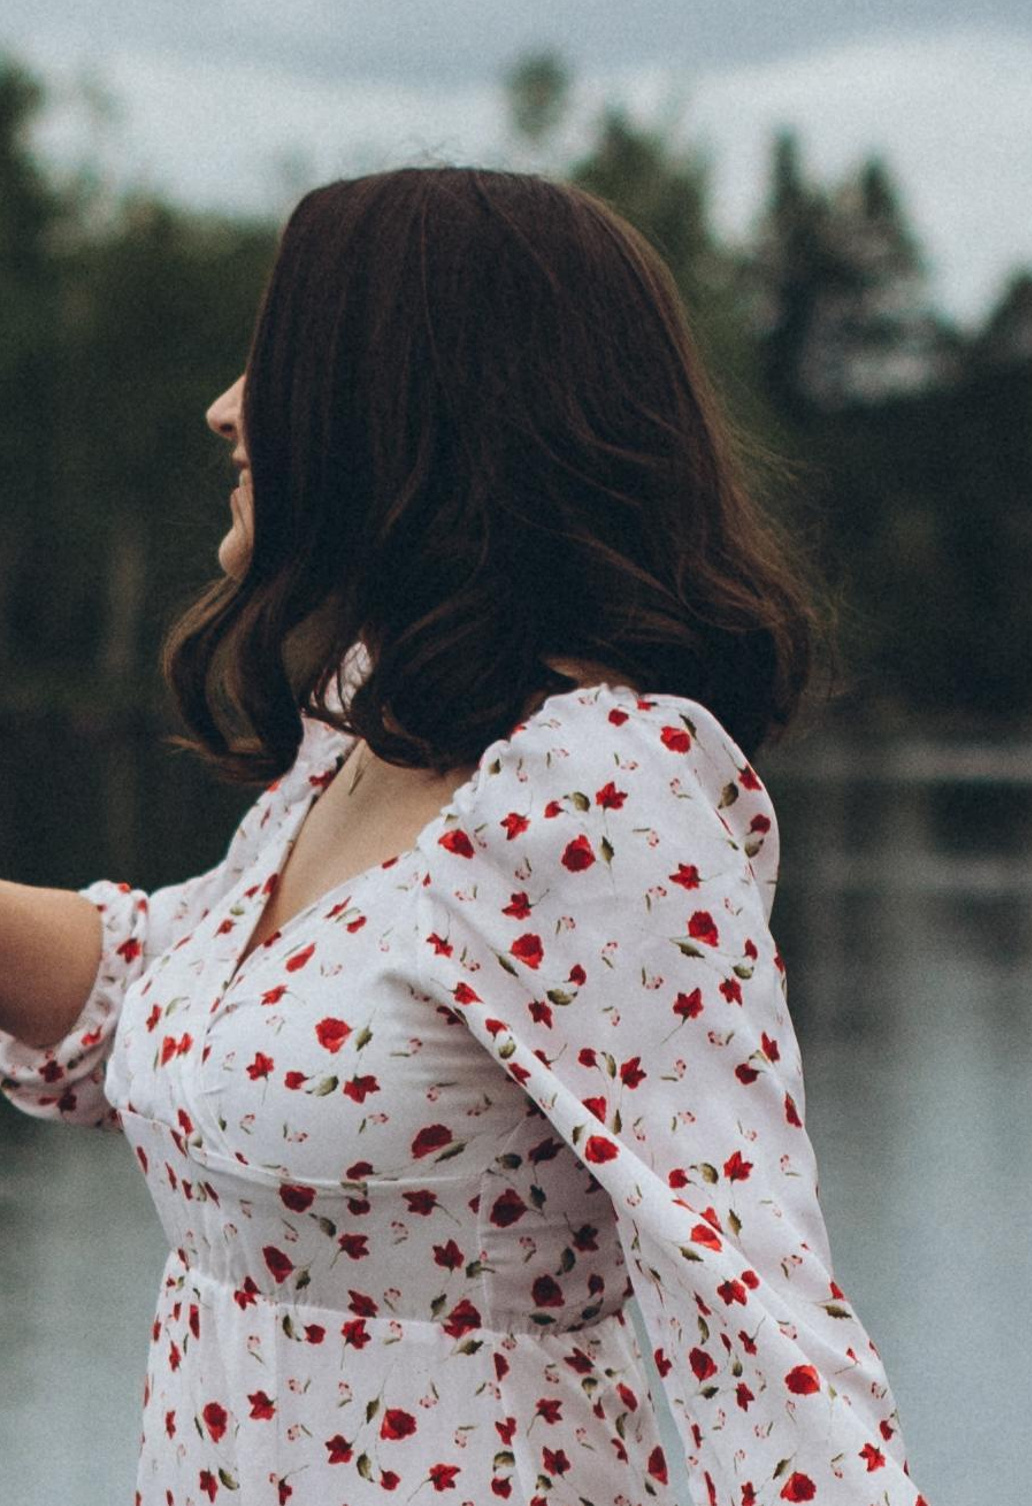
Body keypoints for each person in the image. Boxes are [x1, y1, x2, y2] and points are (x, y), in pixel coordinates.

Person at [0, 167, 927, 1506]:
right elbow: (178, 1000)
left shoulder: (601, 793)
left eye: (279, 360)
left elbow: (760, 1341)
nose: (226, 408)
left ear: (402, 406)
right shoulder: (368, 734)